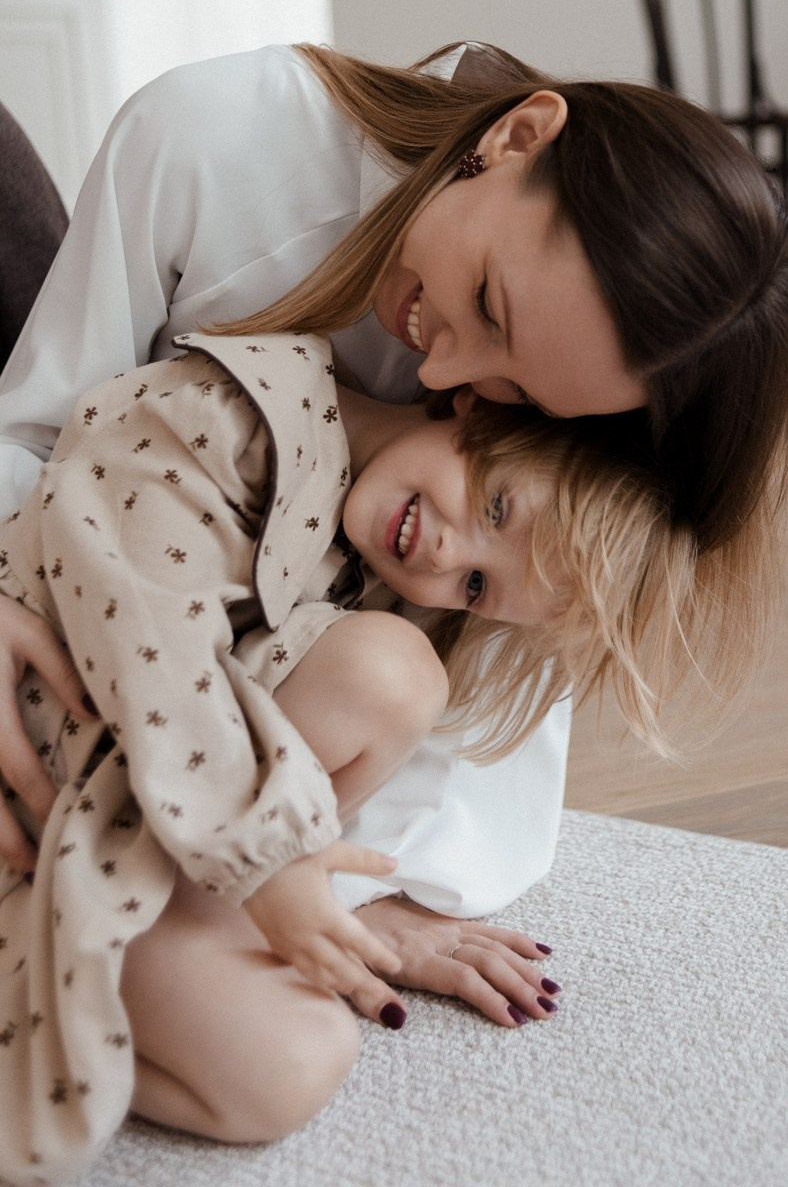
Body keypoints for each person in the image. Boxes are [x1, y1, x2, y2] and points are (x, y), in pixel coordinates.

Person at [0, 40, 788, 1039]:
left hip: (209, 722)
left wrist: (372, 889)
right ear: (518, 136)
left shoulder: (541, 436)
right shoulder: (213, 136)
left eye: (515, 390)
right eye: (486, 301)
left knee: (274, 1049)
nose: (449, 372)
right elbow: (43, 434)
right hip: (73, 586)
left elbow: (478, 648)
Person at [0, 325, 695, 1183]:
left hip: (124, 844)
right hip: (41, 777)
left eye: (477, 585)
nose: (448, 556)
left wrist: (327, 899)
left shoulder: (370, 572)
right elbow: (152, 647)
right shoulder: (231, 410)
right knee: (392, 673)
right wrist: (271, 863)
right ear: (475, 408)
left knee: (299, 1063)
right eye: (496, 509)